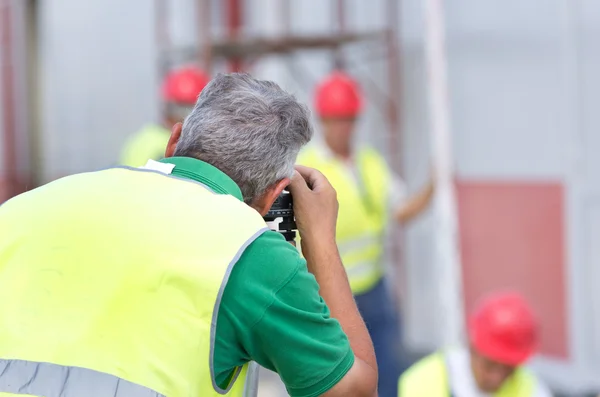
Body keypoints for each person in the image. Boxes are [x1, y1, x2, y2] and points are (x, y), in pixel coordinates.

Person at [0, 73, 378, 397]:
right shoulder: (247, 253)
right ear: (274, 193)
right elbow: (353, 390)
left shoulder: (24, 208)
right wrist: (320, 241)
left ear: (174, 140)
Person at [297, 70, 435, 396]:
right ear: (324, 120)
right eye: (337, 119)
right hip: (328, 293)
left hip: (374, 290)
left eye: (349, 119)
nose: (344, 127)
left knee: (387, 371)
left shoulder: (371, 163)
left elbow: (399, 211)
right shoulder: (308, 166)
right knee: (338, 379)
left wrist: (433, 188)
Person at [398, 291, 552, 397]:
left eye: (509, 369)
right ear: (472, 346)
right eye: (489, 365)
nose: (496, 378)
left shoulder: (530, 388)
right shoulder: (421, 383)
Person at [120, 65, 210, 167]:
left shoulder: (140, 140)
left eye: (188, 108)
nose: (184, 117)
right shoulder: (168, 148)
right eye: (180, 107)